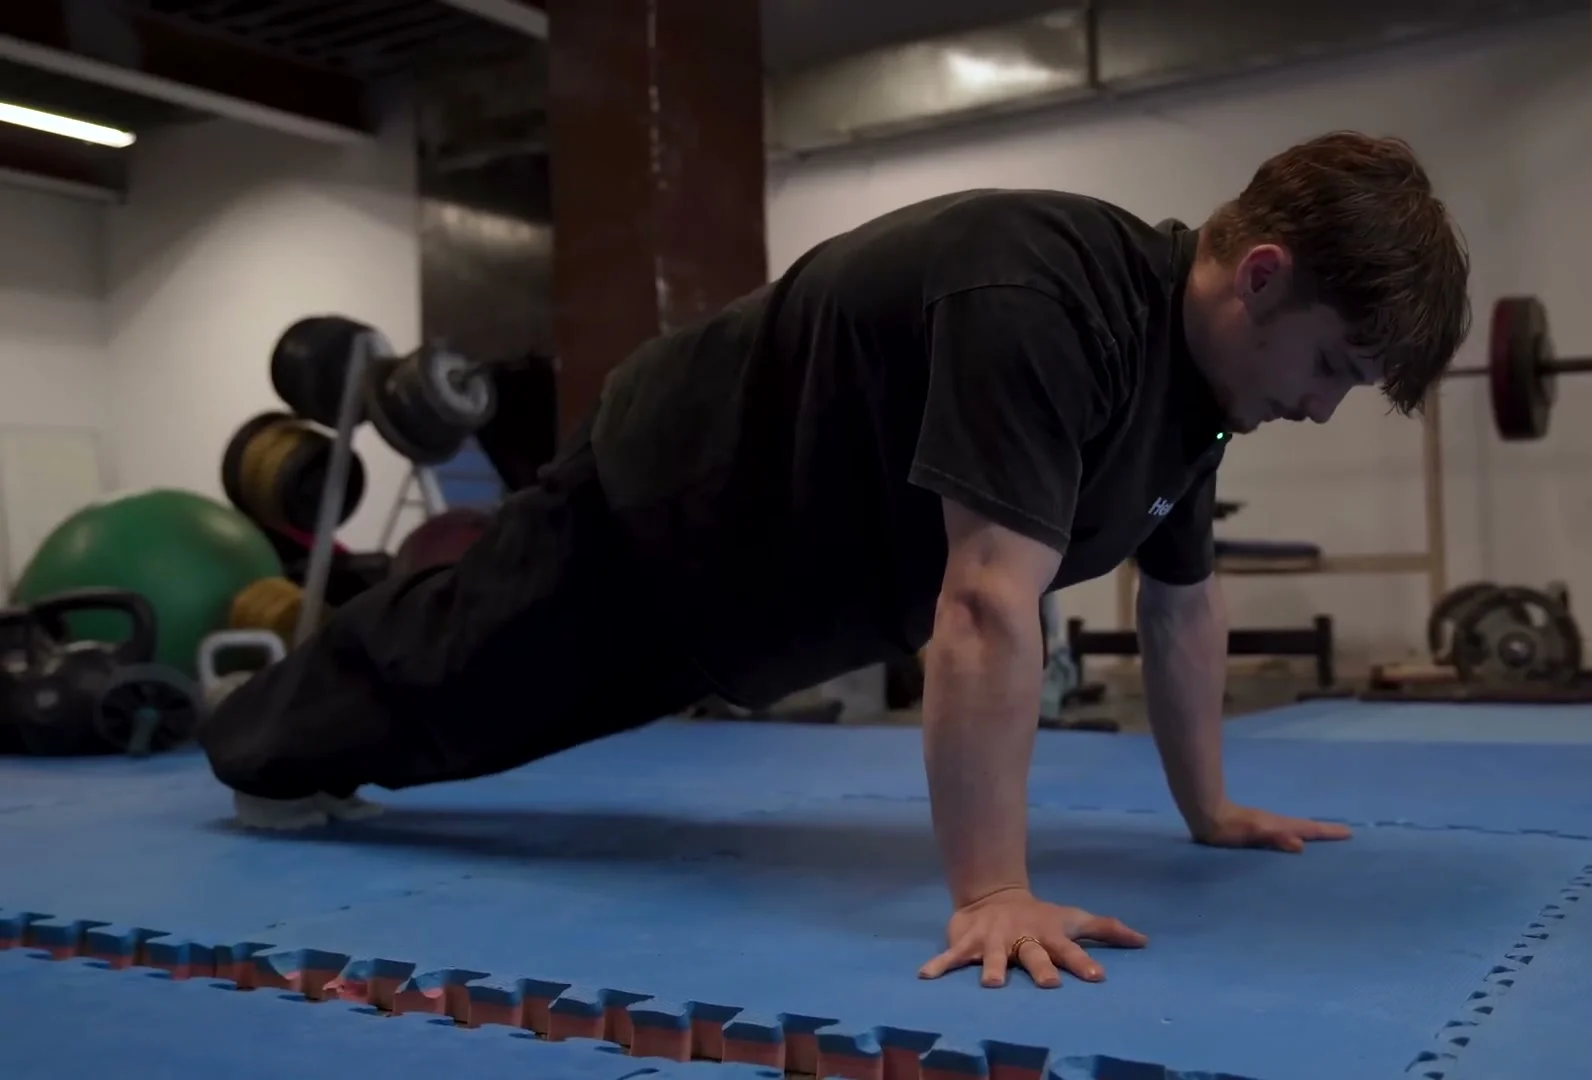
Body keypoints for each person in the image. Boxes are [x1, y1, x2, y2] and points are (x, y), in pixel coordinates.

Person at [198, 130, 1472, 990]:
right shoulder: (1046, 301)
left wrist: (1212, 810)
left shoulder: (1198, 397)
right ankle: (246, 744)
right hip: (667, 509)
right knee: (447, 690)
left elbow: (1183, 601)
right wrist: (993, 893)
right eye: (1331, 367)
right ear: (1261, 276)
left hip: (768, 595)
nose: (1322, 408)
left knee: (498, 727)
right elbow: (986, 605)